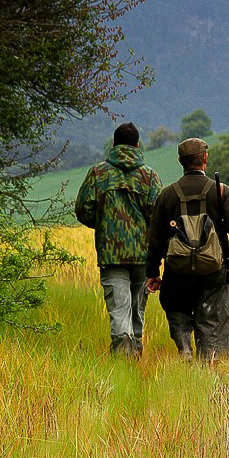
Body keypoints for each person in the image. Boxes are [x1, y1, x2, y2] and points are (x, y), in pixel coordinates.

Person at [146, 138, 229, 361]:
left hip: (177, 271)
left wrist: (152, 272)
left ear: (180, 161)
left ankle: (184, 346)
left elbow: (156, 239)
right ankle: (208, 364)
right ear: (205, 159)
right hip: (212, 270)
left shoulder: (167, 195)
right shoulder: (220, 191)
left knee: (175, 306)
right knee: (212, 318)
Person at [75, 123, 162, 356]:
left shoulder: (98, 173)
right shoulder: (150, 176)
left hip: (111, 255)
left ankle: (124, 359)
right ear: (137, 145)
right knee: (137, 311)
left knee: (119, 310)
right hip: (143, 256)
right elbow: (158, 217)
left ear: (114, 144)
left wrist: (106, 225)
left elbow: (83, 210)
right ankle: (136, 357)